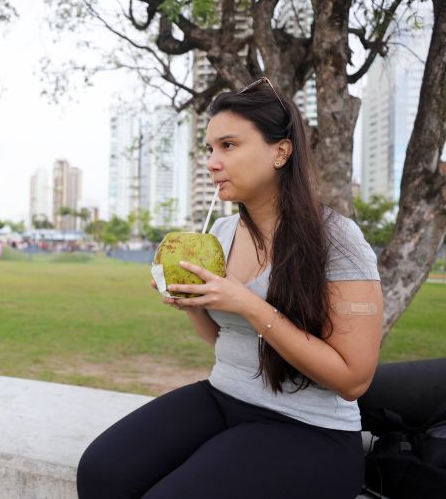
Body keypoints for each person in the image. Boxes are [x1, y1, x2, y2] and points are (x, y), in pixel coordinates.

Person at [76, 77, 383, 499]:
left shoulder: (338, 240)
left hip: (310, 429)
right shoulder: (221, 233)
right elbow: (220, 337)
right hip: (225, 396)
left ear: (280, 150)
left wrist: (251, 306)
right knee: (101, 472)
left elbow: (352, 380)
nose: (212, 162)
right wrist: (192, 304)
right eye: (209, 149)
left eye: (229, 145)